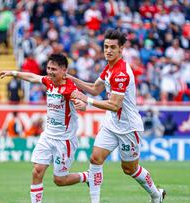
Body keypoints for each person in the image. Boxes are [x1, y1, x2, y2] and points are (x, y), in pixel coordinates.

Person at [68, 29, 166, 203]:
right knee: (95, 158)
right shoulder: (109, 67)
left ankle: (156, 195)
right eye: (106, 47)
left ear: (121, 49)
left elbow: (114, 105)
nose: (108, 50)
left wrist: (87, 101)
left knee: (130, 169)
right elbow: (95, 88)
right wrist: (70, 78)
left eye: (113, 47)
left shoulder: (120, 73)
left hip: (128, 127)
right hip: (112, 124)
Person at [0, 54, 88, 203]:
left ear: (64, 70)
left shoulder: (70, 88)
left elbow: (83, 103)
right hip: (47, 136)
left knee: (59, 180)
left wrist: (81, 106)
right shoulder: (49, 82)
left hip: (64, 140)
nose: (50, 72)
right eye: (48, 68)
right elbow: (32, 77)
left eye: (54, 69)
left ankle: (87, 176)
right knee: (37, 171)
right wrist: (13, 73)